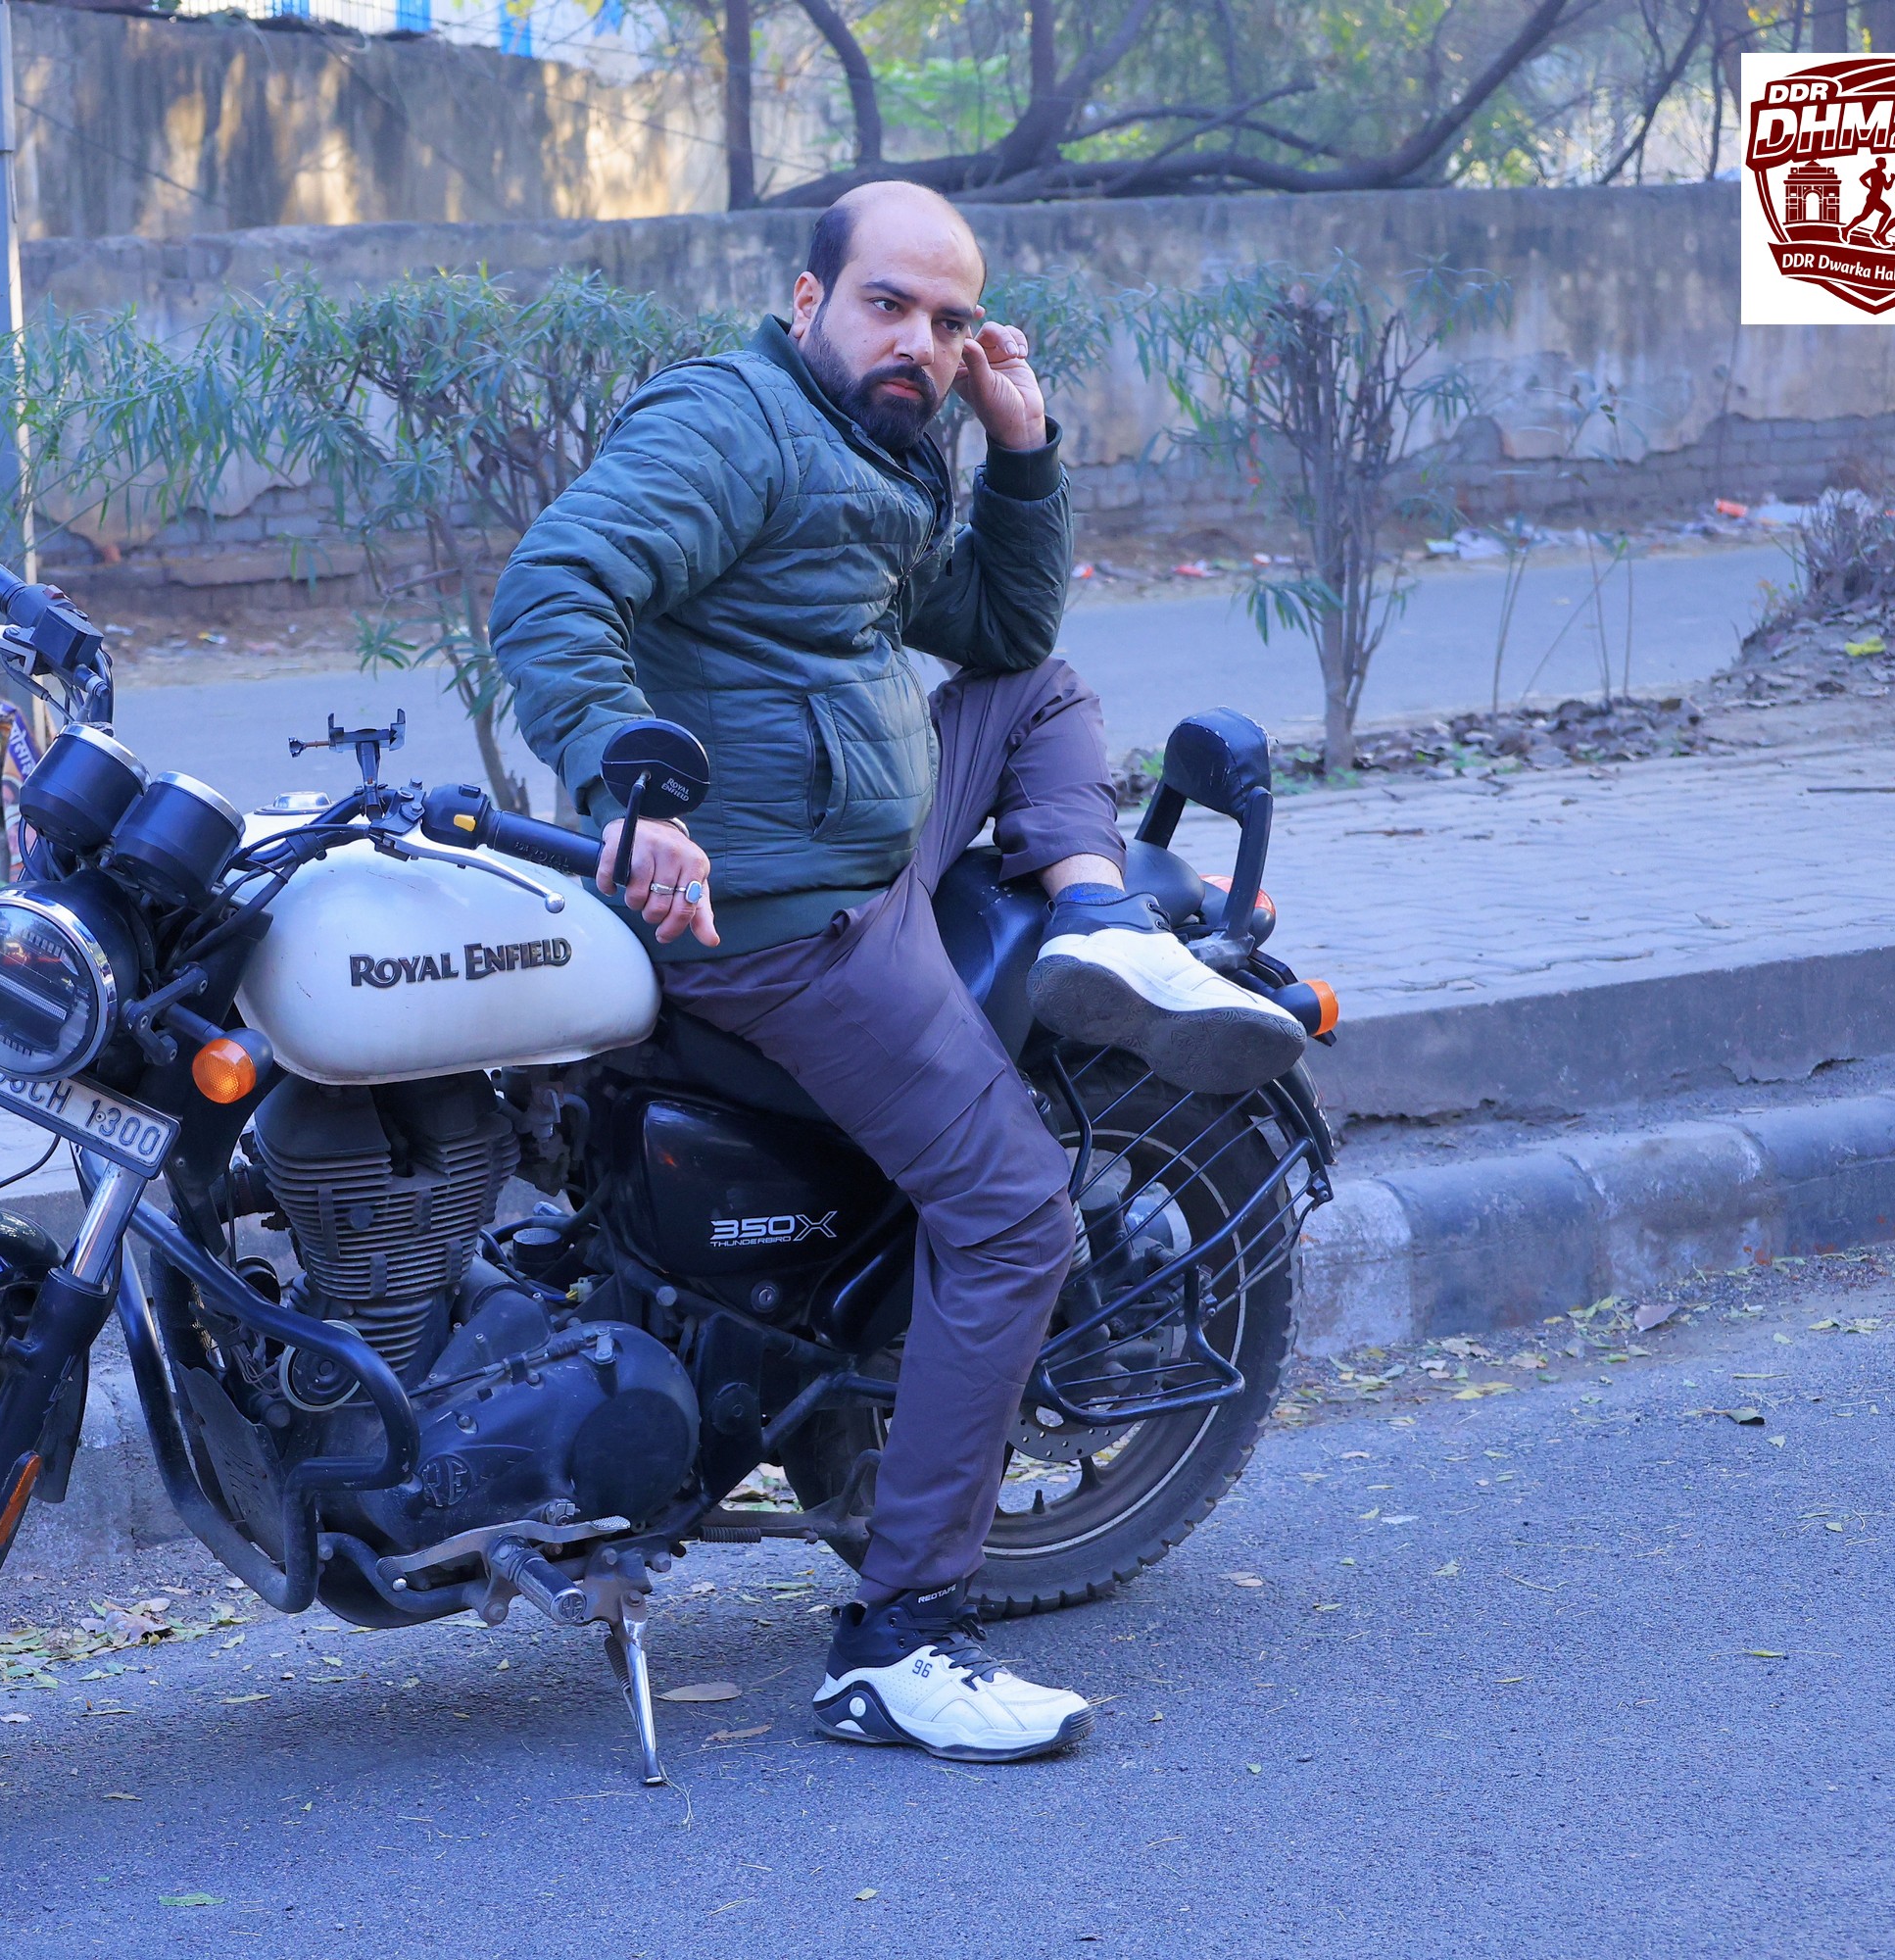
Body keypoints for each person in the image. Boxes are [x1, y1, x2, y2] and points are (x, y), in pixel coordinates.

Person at [492, 181, 1306, 1764]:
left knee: (1038, 684)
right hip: (784, 918)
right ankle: (901, 1640)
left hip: (863, 842)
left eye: (950, 321)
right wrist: (630, 787)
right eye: (889, 305)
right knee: (1013, 1214)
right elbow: (554, 587)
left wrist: (1024, 450)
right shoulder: (736, 427)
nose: (920, 343)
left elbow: (999, 623)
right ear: (808, 302)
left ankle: (1094, 915)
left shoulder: (875, 453)